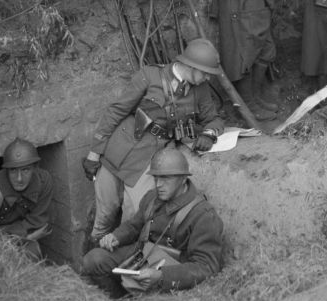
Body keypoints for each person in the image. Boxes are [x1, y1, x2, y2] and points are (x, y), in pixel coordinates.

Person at [81, 38, 224, 245]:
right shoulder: (150, 76)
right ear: (191, 66)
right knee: (105, 213)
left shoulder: (199, 90)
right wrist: (94, 153)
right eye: (205, 72)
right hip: (119, 150)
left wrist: (209, 133)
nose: (207, 78)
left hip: (149, 159)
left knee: (134, 214)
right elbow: (116, 111)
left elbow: (214, 118)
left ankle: (120, 267)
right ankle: (92, 261)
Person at [82, 146, 224, 298]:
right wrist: (116, 237)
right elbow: (134, 226)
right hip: (143, 254)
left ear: (183, 179)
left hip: (172, 272)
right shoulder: (152, 197)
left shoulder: (203, 215)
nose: (158, 185)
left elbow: (206, 267)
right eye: (156, 178)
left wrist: (162, 276)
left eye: (165, 178)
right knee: (93, 260)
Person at [0, 139, 53, 260]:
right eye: (13, 170)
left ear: (35, 168)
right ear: (6, 170)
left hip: (5, 235)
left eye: (25, 170)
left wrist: (8, 233)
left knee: (33, 253)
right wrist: (28, 237)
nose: (19, 178)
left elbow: (37, 222)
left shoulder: (43, 181)